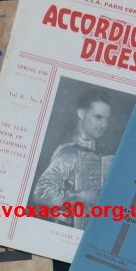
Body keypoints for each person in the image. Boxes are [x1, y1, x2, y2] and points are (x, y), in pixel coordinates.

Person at [32, 89, 111, 228]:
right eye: (98, 117)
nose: (104, 124)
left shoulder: (96, 151)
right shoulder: (70, 152)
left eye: (107, 119)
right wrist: (79, 196)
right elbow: (41, 191)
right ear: (81, 114)